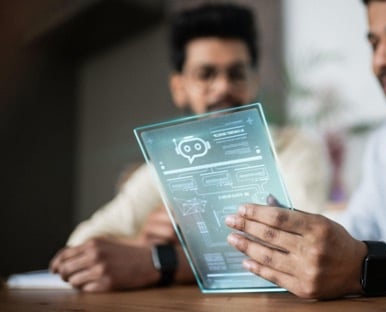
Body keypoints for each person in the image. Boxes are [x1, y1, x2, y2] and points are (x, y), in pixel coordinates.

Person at [49, 3, 331, 292]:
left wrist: (162, 260)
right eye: (206, 74)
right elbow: (78, 248)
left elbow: (301, 248)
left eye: (237, 74)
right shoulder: (161, 168)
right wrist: (141, 244)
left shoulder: (294, 148)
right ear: (179, 88)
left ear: (254, 82)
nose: (222, 87)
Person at [225, 0, 386, 299]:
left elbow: (361, 260)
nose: (381, 60)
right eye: (374, 43)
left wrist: (367, 265)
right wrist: (298, 237)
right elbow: (355, 236)